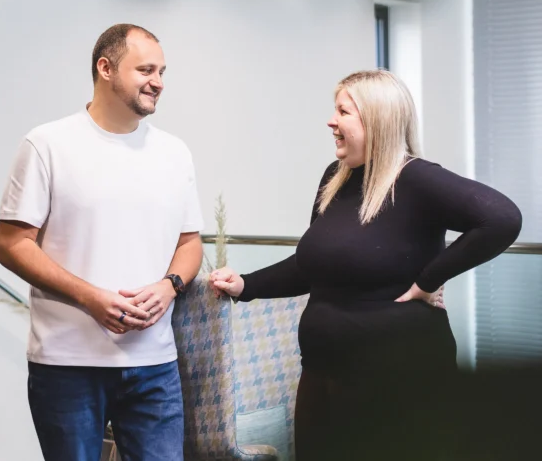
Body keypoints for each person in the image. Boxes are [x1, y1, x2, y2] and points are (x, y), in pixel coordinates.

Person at [210, 69, 523, 461]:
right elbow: (313, 267)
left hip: (398, 382)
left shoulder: (417, 179)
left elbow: (502, 219)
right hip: (322, 373)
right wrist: (246, 285)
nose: (331, 121)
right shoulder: (336, 178)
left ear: (375, 120)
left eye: (343, 111)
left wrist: (430, 279)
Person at [0, 23, 204, 461]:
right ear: (105, 68)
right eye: (145, 69)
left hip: (154, 364)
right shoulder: (47, 144)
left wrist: (169, 286)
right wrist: (90, 298)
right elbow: (12, 244)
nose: (158, 82)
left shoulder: (175, 152)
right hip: (66, 364)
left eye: (162, 71)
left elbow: (190, 244)